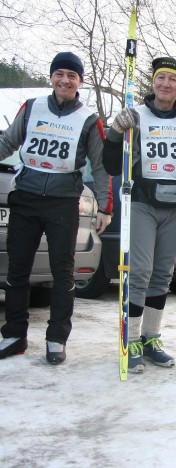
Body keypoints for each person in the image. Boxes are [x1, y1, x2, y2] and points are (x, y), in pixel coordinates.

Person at [0, 52, 112, 364]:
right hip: (26, 196)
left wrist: (105, 207)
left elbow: (101, 166)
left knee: (63, 273)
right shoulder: (32, 107)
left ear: (81, 81)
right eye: (59, 74)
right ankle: (14, 335)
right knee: (18, 269)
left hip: (63, 202)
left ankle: (56, 339)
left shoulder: (89, 120)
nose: (65, 80)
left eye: (72, 76)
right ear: (52, 77)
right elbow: (7, 143)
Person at [103, 57, 176, 374]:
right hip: (142, 202)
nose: (166, 84)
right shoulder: (136, 116)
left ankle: (151, 337)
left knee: (163, 274)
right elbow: (112, 165)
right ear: (153, 82)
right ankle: (132, 338)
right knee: (139, 271)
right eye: (161, 78)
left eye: (173, 79)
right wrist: (114, 132)